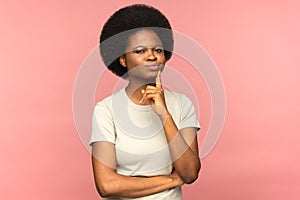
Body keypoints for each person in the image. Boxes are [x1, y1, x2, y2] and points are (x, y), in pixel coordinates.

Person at [90, 4, 201, 199]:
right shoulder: (106, 110)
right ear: (123, 60)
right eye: (140, 51)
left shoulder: (182, 105)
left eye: (157, 49)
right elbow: (106, 185)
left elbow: (190, 172)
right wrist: (173, 180)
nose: (151, 56)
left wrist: (164, 114)